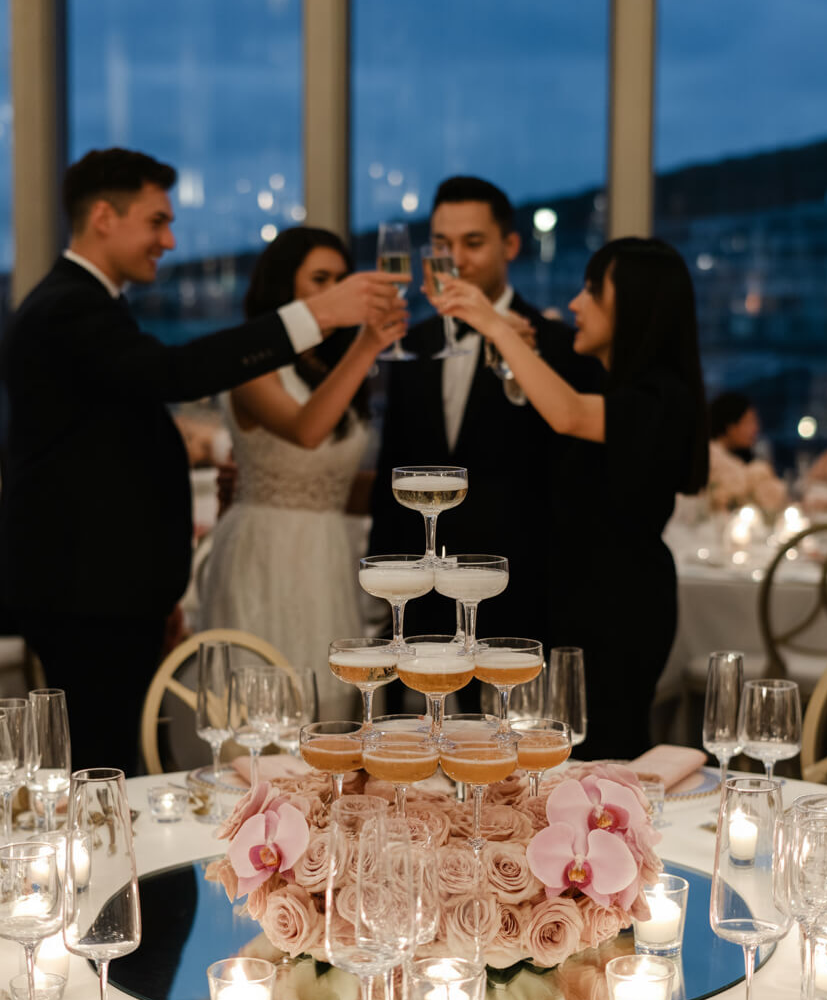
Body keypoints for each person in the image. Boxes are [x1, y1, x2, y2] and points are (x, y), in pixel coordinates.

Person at [0, 148, 400, 775]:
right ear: (104, 216)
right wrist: (319, 315)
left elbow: (114, 452)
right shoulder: (68, 309)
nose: (170, 239)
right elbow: (175, 373)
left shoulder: (91, 306)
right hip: (85, 593)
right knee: (101, 768)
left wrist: (155, 589)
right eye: (157, 221)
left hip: (110, 590)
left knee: (115, 761)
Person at [432, 236, 709, 759]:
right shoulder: (617, 385)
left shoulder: (661, 396)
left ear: (633, 303)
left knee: (606, 749)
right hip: (581, 594)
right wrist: (514, 348)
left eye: (591, 290)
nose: (576, 303)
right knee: (563, 750)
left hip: (622, 603)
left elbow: (568, 414)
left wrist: (492, 323)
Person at [369, 176, 596, 662]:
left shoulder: (553, 345)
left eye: (472, 243)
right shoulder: (416, 341)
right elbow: (396, 463)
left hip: (522, 585)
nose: (456, 260)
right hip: (425, 589)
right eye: (441, 245)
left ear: (510, 245)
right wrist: (386, 588)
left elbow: (568, 476)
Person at [200, 227, 406, 717]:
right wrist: (368, 346)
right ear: (282, 286)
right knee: (263, 705)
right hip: (266, 549)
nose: (336, 290)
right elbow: (307, 430)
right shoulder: (253, 362)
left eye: (341, 278)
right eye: (320, 278)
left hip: (328, 553)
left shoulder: (330, 365)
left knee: (331, 707)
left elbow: (330, 481)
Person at [707, 390, 787, 513]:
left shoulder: (738, 456)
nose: (756, 429)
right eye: (749, 422)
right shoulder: (712, 456)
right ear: (730, 426)